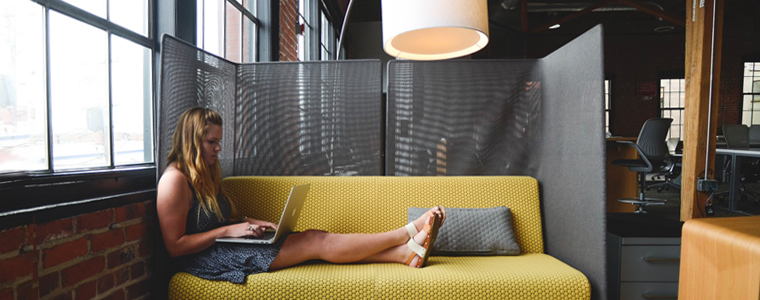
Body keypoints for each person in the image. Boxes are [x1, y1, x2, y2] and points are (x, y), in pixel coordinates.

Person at [156, 107, 446, 283]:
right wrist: (230, 229)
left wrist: (246, 223)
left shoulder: (205, 173)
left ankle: (402, 254)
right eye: (212, 142)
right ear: (191, 141)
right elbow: (175, 247)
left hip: (224, 246)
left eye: (219, 141)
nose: (218, 149)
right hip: (207, 260)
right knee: (315, 241)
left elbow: (215, 221)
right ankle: (403, 234)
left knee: (314, 236)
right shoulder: (174, 181)